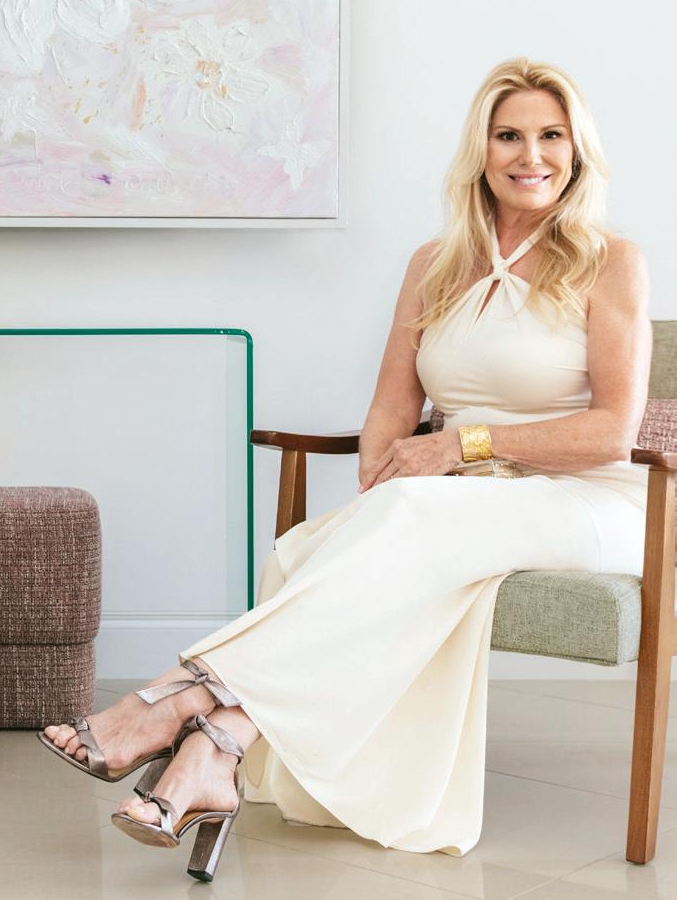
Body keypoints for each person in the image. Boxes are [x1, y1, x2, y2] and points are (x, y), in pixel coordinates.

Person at [39, 57, 652, 879]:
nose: (530, 155)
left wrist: (459, 448)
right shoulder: (433, 263)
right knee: (308, 550)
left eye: (551, 136)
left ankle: (172, 702)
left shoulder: (608, 260)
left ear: (577, 151)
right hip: (458, 502)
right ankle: (215, 750)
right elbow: (391, 410)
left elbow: (611, 432)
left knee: (407, 519)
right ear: (479, 149)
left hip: (589, 500)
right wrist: (379, 484)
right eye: (508, 135)